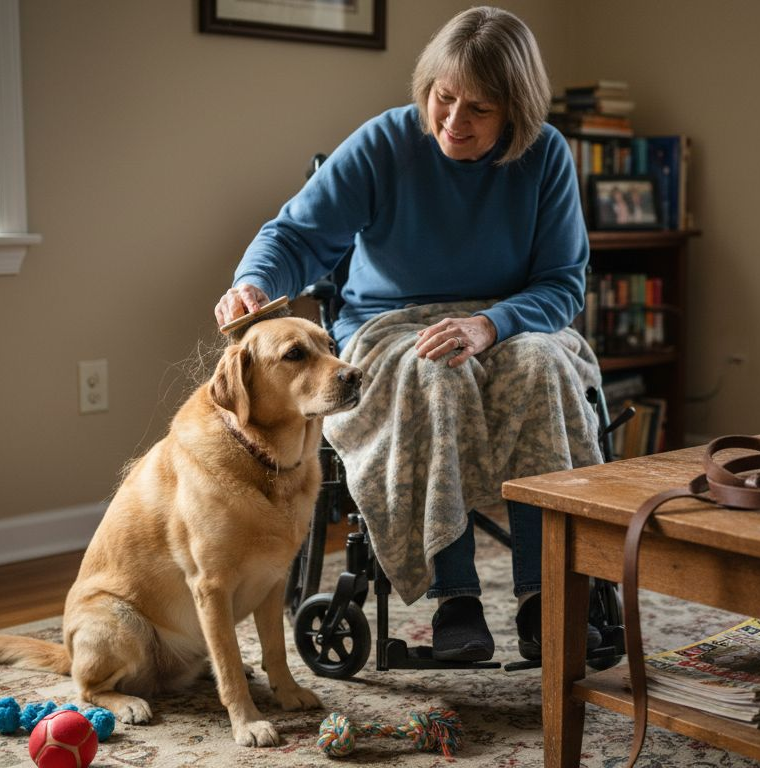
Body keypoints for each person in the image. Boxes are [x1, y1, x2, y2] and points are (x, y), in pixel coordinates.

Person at [214, 6, 601, 663]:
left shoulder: (545, 159)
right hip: (389, 324)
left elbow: (563, 285)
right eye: (443, 99)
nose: (453, 122)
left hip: (510, 319)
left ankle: (547, 596)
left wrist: (489, 324)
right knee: (433, 367)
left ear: (516, 110)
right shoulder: (384, 143)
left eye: (478, 109)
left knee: (544, 366)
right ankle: (458, 601)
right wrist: (252, 281)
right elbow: (295, 237)